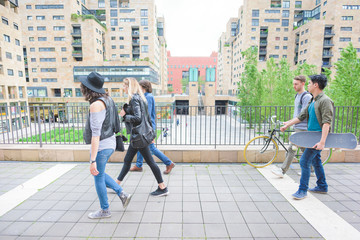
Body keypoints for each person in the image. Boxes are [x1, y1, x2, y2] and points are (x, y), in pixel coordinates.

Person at [81, 72, 132, 219]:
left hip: (102, 146)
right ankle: (123, 194)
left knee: (97, 176)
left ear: (87, 88)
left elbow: (96, 135)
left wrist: (93, 160)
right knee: (101, 174)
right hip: (110, 142)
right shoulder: (108, 99)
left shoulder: (96, 105)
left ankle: (105, 210)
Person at [280, 74, 333, 200]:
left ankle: (302, 190)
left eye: (309, 83)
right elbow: (301, 116)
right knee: (316, 161)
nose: (308, 85)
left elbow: (327, 122)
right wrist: (288, 124)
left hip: (317, 138)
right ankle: (322, 186)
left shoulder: (325, 100)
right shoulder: (313, 100)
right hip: (311, 136)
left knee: (304, 161)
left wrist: (322, 142)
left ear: (316, 85)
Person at [116, 77, 169, 197]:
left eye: (124, 86)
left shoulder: (134, 99)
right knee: (128, 160)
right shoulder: (141, 98)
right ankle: (116, 184)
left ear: (129, 86)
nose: (123, 88)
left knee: (149, 162)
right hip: (140, 136)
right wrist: (151, 134)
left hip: (138, 136)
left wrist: (125, 116)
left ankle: (163, 187)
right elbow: (148, 118)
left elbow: (138, 118)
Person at [129, 80, 175, 174]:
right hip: (144, 126)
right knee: (140, 145)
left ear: (143, 87)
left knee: (151, 148)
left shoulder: (148, 97)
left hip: (147, 126)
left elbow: (147, 114)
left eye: (139, 87)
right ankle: (138, 165)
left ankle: (168, 162)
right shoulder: (144, 97)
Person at [272, 75, 312, 178]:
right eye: (293, 84)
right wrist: (289, 122)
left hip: (303, 128)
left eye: (296, 84)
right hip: (297, 126)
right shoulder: (297, 96)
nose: (294, 86)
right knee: (305, 150)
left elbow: (303, 116)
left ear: (303, 84)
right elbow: (297, 114)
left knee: (292, 149)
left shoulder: (306, 97)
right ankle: (312, 170)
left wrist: (288, 124)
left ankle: (282, 171)